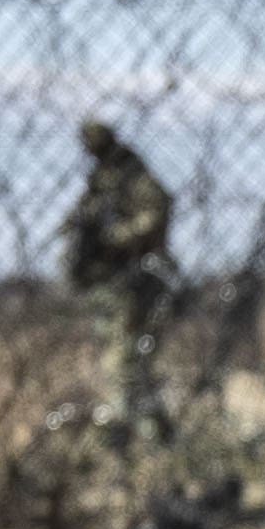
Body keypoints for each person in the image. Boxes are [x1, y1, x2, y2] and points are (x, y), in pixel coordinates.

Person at [61, 118, 179, 440]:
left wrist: (115, 237)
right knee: (123, 354)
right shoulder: (102, 180)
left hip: (137, 276)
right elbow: (81, 219)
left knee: (126, 356)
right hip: (109, 281)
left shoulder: (133, 176)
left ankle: (128, 428)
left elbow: (156, 214)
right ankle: (146, 427)